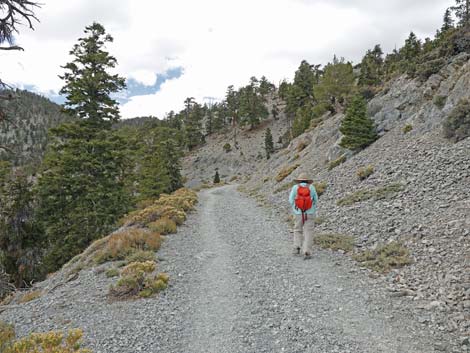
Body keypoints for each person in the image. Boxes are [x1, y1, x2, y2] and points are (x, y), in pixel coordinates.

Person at [288, 173, 318, 259]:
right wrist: (312, 208)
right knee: (308, 231)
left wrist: (295, 208)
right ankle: (307, 251)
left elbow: (290, 200)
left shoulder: (295, 188)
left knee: (297, 229)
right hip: (310, 213)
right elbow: (316, 200)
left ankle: (297, 246)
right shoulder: (311, 187)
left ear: (299, 180)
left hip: (298, 213)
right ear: (308, 180)